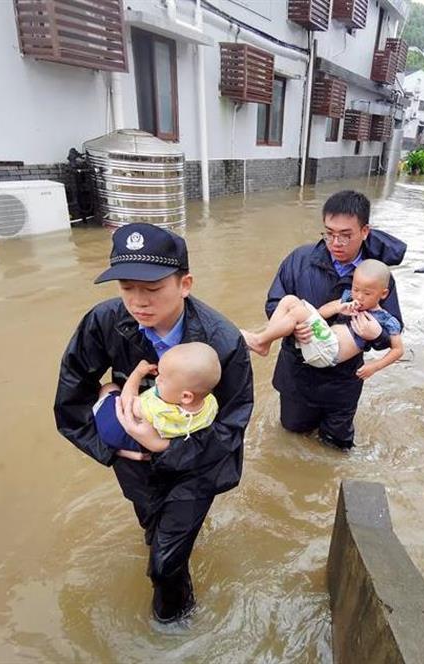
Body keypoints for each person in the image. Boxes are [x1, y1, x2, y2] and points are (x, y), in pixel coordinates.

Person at [54, 223, 253, 625]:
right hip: (133, 462)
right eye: (127, 288)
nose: (138, 302)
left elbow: (231, 427)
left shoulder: (223, 341)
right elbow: (69, 400)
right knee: (152, 530)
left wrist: (165, 449)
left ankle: (174, 623)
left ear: (185, 284)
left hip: (199, 464)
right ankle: (169, 549)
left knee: (163, 565)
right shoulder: (104, 321)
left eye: (153, 289)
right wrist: (111, 447)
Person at [265, 190, 405, 450]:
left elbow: (392, 329)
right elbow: (275, 304)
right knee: (292, 437)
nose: (335, 242)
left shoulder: (377, 277)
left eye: (345, 235)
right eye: (329, 233)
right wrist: (294, 330)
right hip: (298, 374)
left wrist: (377, 336)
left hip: (344, 381)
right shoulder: (299, 260)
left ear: (365, 231)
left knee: (336, 447)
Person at [244, 259, 404, 372]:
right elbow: (321, 312)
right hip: (322, 340)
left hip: (330, 353)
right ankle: (265, 343)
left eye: (367, 293)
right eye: (356, 289)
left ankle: (259, 341)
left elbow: (398, 350)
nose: (359, 297)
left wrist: (374, 366)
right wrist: (340, 308)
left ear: (383, 294)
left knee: (299, 312)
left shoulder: (387, 319)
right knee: (289, 300)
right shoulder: (349, 298)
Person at [93, 342, 221, 453]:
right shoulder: (211, 404)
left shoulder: (157, 410)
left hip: (121, 432)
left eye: (163, 379)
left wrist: (137, 374)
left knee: (109, 388)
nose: (157, 379)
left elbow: (126, 403)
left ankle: (99, 411)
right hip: (165, 444)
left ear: (186, 397)